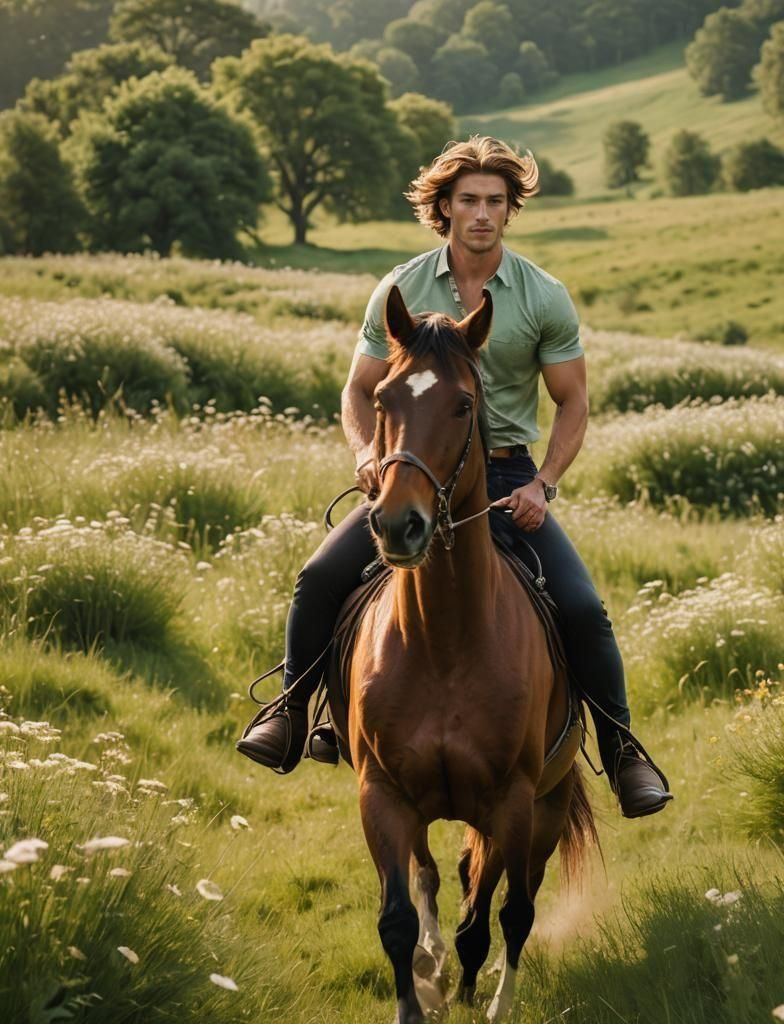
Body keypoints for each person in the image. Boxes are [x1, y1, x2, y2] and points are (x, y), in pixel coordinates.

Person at [237, 136, 671, 819]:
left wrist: (544, 484)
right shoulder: (400, 288)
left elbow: (573, 400)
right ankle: (294, 709)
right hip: (409, 472)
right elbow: (359, 390)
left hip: (504, 482)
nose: (482, 215)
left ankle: (622, 751)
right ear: (443, 207)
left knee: (584, 609)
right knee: (320, 577)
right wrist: (364, 455)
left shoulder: (542, 296)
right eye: (468, 200)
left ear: (510, 210)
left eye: (496, 202)